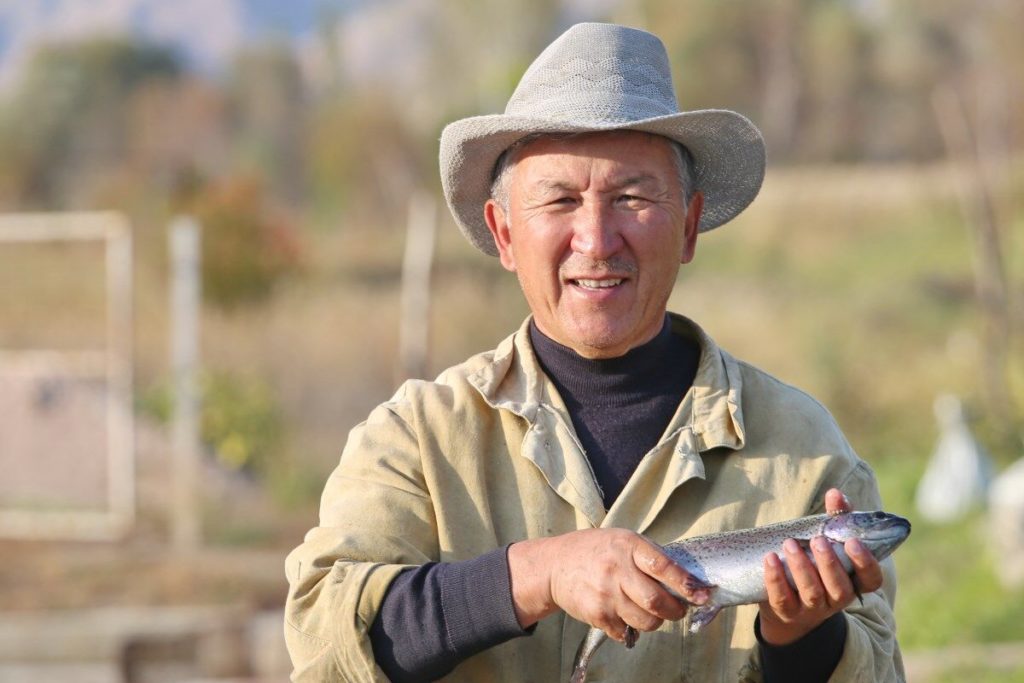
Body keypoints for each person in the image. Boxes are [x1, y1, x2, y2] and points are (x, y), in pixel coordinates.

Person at [284, 22, 904, 683]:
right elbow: (324, 643)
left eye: (631, 197)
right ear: (504, 234)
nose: (597, 238)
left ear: (689, 225)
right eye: (560, 200)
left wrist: (801, 639)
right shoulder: (417, 438)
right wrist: (537, 573)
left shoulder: (804, 449)